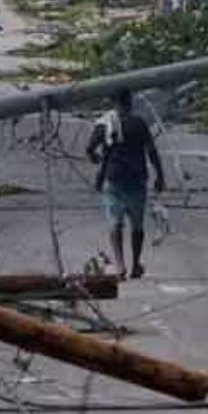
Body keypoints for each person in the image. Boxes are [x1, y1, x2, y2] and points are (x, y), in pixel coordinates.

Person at [85, 88, 166, 280]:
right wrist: (160, 176)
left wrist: (96, 158)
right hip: (137, 180)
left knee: (115, 223)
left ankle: (120, 265)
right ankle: (135, 264)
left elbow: (89, 149)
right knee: (137, 226)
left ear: (114, 103)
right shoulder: (139, 123)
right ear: (130, 103)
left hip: (113, 179)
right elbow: (152, 151)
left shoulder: (104, 124)